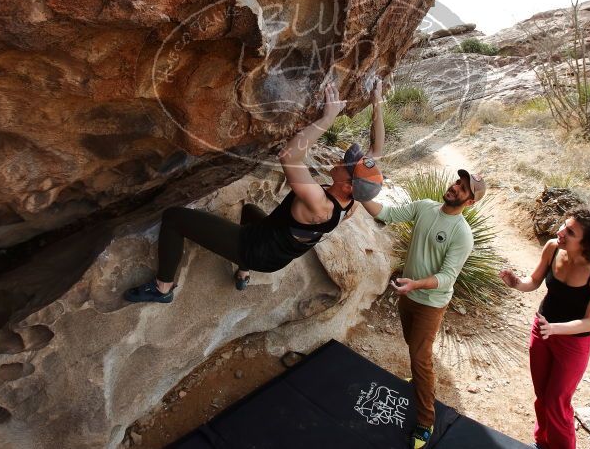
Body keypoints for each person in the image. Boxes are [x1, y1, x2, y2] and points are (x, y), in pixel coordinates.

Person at [125, 79, 385, 303]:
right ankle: (243, 273)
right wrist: (377, 102)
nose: (341, 159)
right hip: (277, 254)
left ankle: (163, 288)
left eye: (346, 164)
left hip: (255, 249)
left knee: (174, 218)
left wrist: (327, 118)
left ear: (348, 185)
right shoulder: (354, 201)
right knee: (250, 211)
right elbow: (377, 149)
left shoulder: (319, 203)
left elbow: (290, 156)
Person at [362, 169, 486, 449]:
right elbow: (387, 213)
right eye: (457, 182)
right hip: (409, 295)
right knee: (412, 346)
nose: (455, 187)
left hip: (431, 303)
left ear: (470, 202)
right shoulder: (425, 207)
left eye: (463, 188)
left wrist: (416, 284)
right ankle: (420, 381)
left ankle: (425, 421)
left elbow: (447, 276)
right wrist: (361, 196)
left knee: (421, 358)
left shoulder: (462, 234)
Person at [499, 208, 590, 449]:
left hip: (573, 342)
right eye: (564, 225)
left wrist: (554, 329)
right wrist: (517, 283)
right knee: (543, 395)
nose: (560, 231)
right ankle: (542, 442)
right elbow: (533, 281)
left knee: (557, 401)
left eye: (570, 232)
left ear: (587, 243)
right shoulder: (553, 248)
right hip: (542, 330)